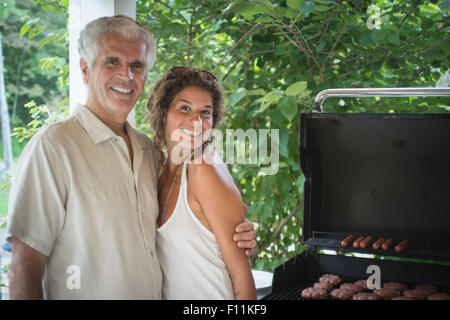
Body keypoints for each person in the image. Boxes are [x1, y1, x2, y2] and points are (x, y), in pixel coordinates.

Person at [5, 15, 256, 300]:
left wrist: (237, 233)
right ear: (85, 70)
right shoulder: (54, 146)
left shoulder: (149, 153)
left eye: (137, 65)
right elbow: (25, 267)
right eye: (112, 61)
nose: (126, 76)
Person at [147, 67, 257, 300]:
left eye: (205, 112)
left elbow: (242, 277)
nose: (196, 121)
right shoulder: (157, 168)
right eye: (184, 108)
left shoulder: (204, 170)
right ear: (163, 112)